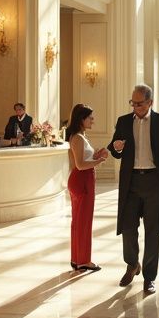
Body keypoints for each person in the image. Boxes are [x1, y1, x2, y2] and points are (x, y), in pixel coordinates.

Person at [108, 83, 159, 294]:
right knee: (128, 229)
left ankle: (149, 277)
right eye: (132, 103)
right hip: (130, 183)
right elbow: (116, 149)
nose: (135, 107)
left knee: (152, 232)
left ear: (150, 102)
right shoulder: (123, 121)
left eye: (139, 103)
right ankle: (132, 264)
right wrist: (116, 148)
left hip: (154, 183)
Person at [66, 103, 109, 272]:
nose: (93, 120)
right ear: (82, 119)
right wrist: (99, 161)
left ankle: (77, 258)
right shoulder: (77, 137)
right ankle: (83, 260)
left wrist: (96, 155)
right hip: (82, 180)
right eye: (90, 117)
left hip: (83, 180)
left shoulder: (81, 136)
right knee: (83, 222)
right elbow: (81, 164)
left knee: (79, 221)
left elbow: (84, 158)